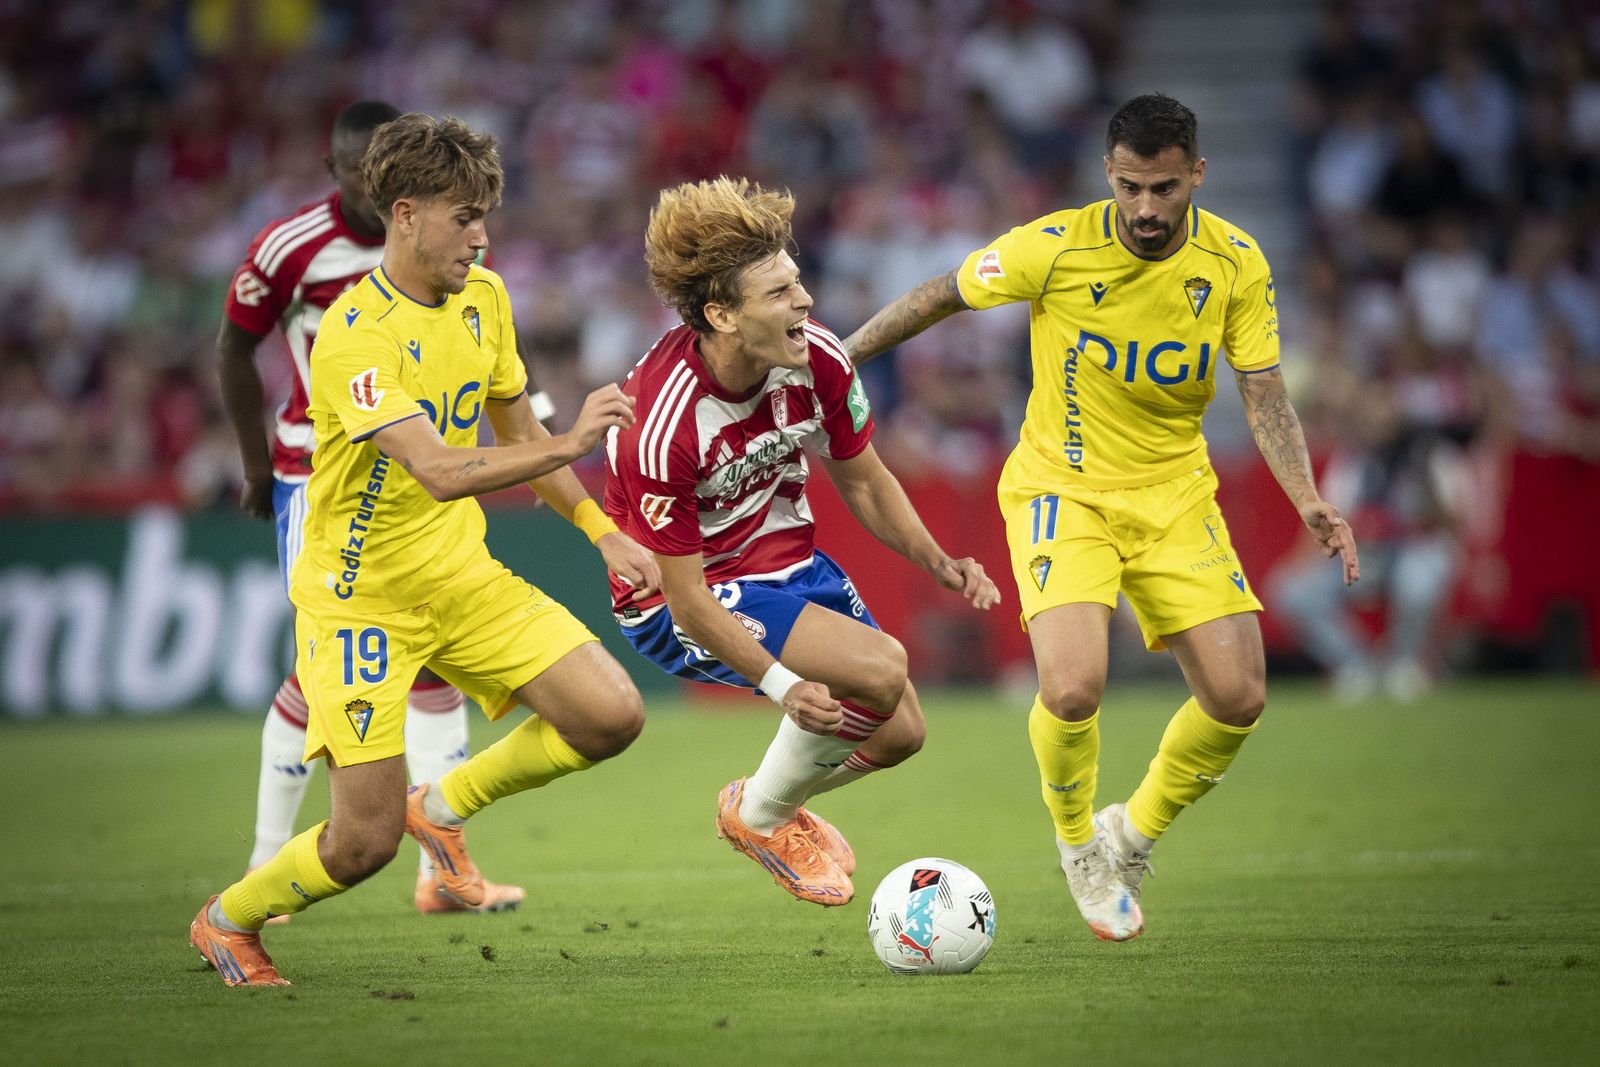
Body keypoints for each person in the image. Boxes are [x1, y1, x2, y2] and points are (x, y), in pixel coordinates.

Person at [843, 94, 1360, 941]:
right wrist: (842, 355)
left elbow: (1263, 389)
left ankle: (1131, 832)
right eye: (1130, 187)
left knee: (1237, 697)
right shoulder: (1053, 246)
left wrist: (1305, 495)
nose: (1147, 208)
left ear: (1196, 173)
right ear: (1108, 174)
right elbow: (942, 294)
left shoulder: (1236, 263)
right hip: (1062, 488)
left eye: (1164, 188)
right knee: (1073, 684)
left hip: (1176, 494)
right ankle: (1080, 841)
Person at [189, 112, 660, 986]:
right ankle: (229, 918)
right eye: (462, 216)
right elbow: (441, 469)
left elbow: (515, 428)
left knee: (611, 716)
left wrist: (603, 532)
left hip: (460, 576)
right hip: (360, 597)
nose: (480, 238)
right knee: (360, 843)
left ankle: (440, 810)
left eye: (485, 216)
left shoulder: (485, 299)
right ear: (403, 213)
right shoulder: (355, 336)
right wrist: (569, 444)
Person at [603, 177, 1000, 906]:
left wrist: (938, 559)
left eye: (799, 281)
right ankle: (760, 818)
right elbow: (687, 600)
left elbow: (866, 481)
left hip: (787, 564)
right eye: (780, 292)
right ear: (722, 314)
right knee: (883, 670)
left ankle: (762, 801)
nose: (806, 302)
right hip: (675, 598)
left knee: (901, 731)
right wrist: (783, 687)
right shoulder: (661, 424)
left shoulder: (815, 356)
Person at [217, 100, 550, 915]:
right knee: (319, 671)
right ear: (340, 173)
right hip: (317, 474)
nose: (375, 185)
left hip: (421, 473)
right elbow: (234, 343)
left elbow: (488, 359)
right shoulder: (294, 248)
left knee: (433, 652)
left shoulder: (450, 251)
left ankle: (439, 870)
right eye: (361, 171)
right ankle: (264, 871)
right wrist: (257, 465)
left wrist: (535, 424)